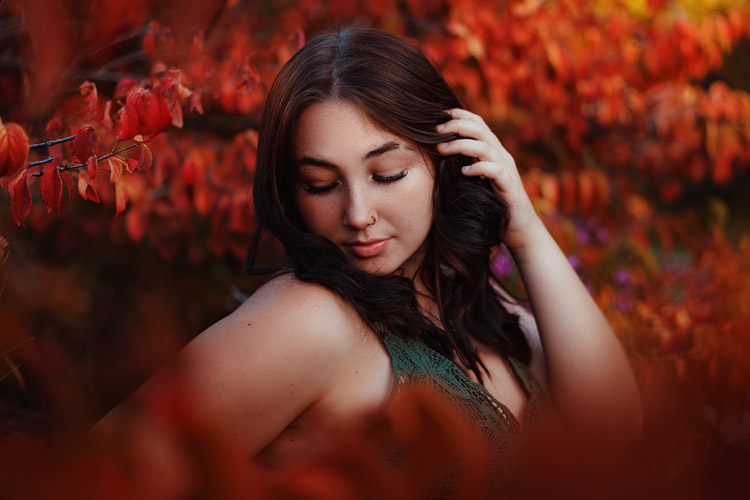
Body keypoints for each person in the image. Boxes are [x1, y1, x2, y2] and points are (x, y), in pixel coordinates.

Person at [94, 27, 642, 497]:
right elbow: (98, 478)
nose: (357, 214)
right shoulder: (309, 320)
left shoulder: (476, 305)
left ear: (443, 162)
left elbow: (615, 431)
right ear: (292, 192)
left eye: (387, 175)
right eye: (322, 184)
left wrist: (524, 227)